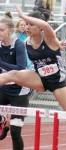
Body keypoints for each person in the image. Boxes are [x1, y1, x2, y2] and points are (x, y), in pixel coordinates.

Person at [0, 6, 66, 147]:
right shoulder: (26, 42)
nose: (27, 27)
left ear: (39, 27)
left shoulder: (49, 38)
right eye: (26, 24)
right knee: (12, 75)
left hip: (58, 82)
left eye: (31, 24)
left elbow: (45, 25)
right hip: (39, 78)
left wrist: (22, 15)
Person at [0, 12, 31, 150]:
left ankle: (9, 125)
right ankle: (3, 121)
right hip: (2, 89)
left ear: (10, 30)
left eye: (1, 30)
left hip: (19, 92)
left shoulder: (18, 45)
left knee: (15, 132)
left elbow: (21, 68)